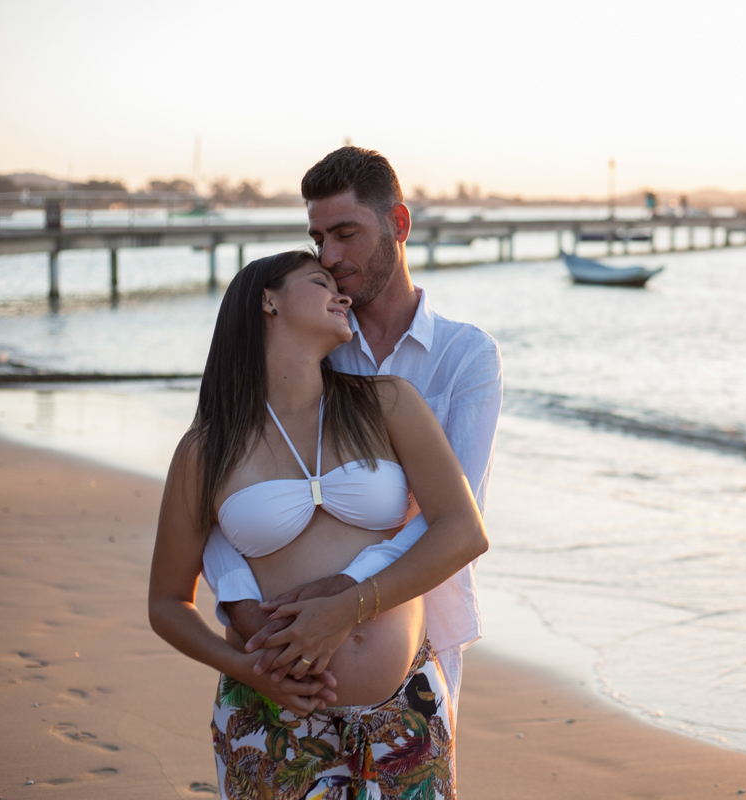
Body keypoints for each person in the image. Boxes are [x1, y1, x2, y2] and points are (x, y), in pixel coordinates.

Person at [149, 249, 486, 799]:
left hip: (404, 714)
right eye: (319, 281)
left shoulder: (387, 403)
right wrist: (245, 668)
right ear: (268, 301)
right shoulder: (208, 449)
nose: (342, 294)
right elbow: (166, 602)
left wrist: (348, 606)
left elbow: (463, 530)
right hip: (273, 720)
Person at [201, 147, 503, 716]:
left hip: (422, 635)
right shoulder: (311, 340)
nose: (331, 256)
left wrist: (346, 594)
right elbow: (225, 491)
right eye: (319, 239)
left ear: (399, 224)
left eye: (346, 233)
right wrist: (241, 607)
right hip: (279, 648)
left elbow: (460, 517)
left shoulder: (466, 357)